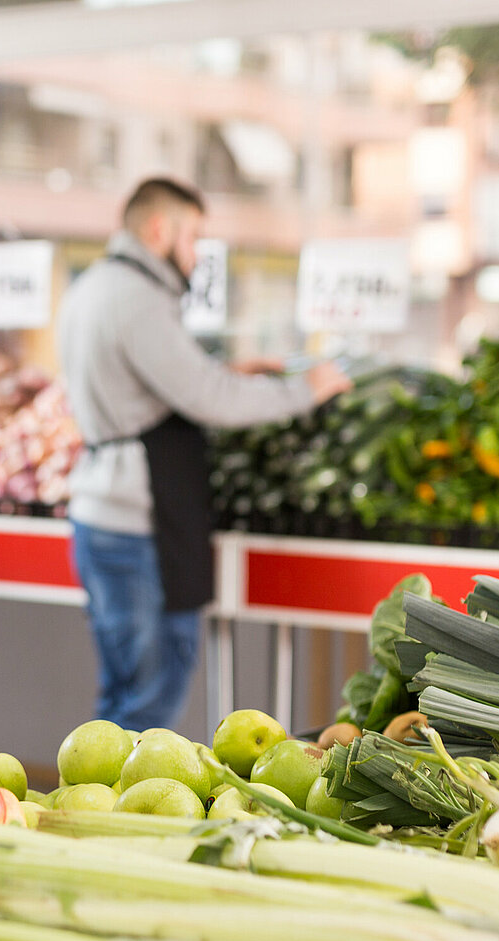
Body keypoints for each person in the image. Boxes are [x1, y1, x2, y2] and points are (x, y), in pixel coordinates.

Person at [57, 176, 351, 734]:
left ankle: (89, 807)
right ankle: (118, 819)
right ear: (159, 229)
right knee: (151, 697)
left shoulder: (95, 285)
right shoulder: (136, 298)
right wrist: (305, 389)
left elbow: (146, 390)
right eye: (193, 237)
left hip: (104, 514)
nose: (196, 256)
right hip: (137, 524)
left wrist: (228, 373)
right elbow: (208, 399)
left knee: (121, 699)